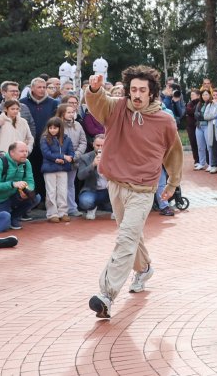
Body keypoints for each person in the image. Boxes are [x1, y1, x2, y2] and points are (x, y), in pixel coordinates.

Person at [83, 67, 184, 319]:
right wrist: (94, 89)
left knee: (126, 238)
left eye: (142, 90)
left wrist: (172, 183)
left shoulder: (165, 120)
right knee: (131, 235)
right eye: (133, 90)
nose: (137, 95)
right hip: (115, 184)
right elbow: (98, 103)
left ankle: (106, 294)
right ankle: (145, 268)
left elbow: (174, 153)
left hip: (142, 189)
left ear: (152, 93)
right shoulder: (116, 108)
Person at [0, 141, 40, 229]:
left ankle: (14, 218)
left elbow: (30, 181)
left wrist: (26, 191)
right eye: (21, 151)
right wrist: (13, 184)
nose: (25, 154)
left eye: (26, 151)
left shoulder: (26, 162)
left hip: (10, 196)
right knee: (3, 227)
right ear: (12, 152)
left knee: (35, 197)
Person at [40, 116, 74, 223]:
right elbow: (46, 153)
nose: (52, 130)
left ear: (60, 128)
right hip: (49, 168)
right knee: (51, 191)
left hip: (63, 168)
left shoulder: (67, 139)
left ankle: (63, 212)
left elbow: (71, 153)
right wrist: (62, 157)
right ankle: (52, 213)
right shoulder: (44, 138)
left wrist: (65, 160)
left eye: (55, 128)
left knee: (62, 191)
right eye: (50, 128)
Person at [76, 134, 112, 220]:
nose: (100, 148)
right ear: (93, 145)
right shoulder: (85, 157)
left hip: (109, 190)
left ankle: (114, 209)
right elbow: (80, 176)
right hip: (92, 190)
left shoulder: (113, 156)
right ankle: (92, 208)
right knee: (86, 202)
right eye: (97, 145)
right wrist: (92, 165)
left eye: (102, 146)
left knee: (123, 195)